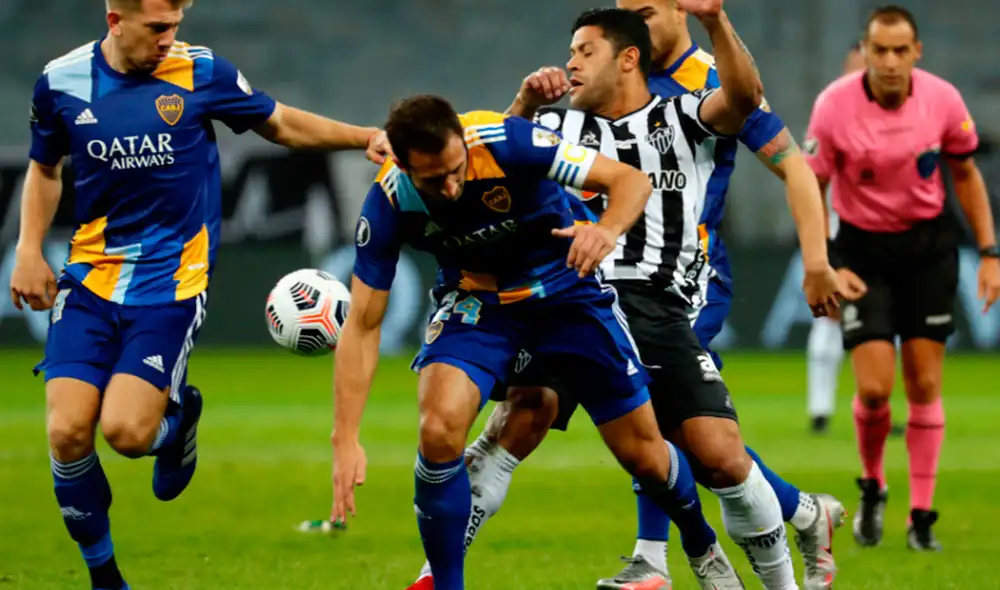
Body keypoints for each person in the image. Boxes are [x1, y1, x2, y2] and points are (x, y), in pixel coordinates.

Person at [407, 3, 844, 590]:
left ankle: (761, 556)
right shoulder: (558, 128)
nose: (571, 64)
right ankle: (439, 573)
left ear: (627, 57)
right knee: (521, 415)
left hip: (655, 300)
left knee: (714, 453)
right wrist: (524, 106)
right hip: (567, 299)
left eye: (585, 52)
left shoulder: (686, 111)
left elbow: (746, 102)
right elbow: (492, 170)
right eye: (570, 53)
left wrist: (716, 20)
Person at [8, 1, 391, 588]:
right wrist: (29, 249)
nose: (170, 38)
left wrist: (365, 136)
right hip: (88, 279)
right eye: (158, 28)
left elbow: (279, 122)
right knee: (65, 434)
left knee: (126, 434)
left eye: (175, 26)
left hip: (172, 286)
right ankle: (105, 578)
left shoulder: (201, 72)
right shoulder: (61, 82)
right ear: (115, 21)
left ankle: (177, 419)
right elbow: (44, 168)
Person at [803, 4, 1000, 551]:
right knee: (873, 390)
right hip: (861, 254)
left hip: (927, 250)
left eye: (899, 51)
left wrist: (990, 251)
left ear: (916, 53)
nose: (890, 61)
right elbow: (811, 185)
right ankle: (873, 485)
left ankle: (921, 516)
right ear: (865, 52)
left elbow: (966, 174)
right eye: (880, 50)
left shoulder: (943, 100)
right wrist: (825, 261)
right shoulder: (833, 106)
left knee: (925, 385)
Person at [806, 41, 866, 435]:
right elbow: (812, 178)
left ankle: (874, 405)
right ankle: (820, 410)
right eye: (856, 67)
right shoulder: (830, 111)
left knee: (883, 318)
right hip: (836, 229)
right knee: (830, 315)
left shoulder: (897, 113)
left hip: (881, 232)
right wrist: (819, 238)